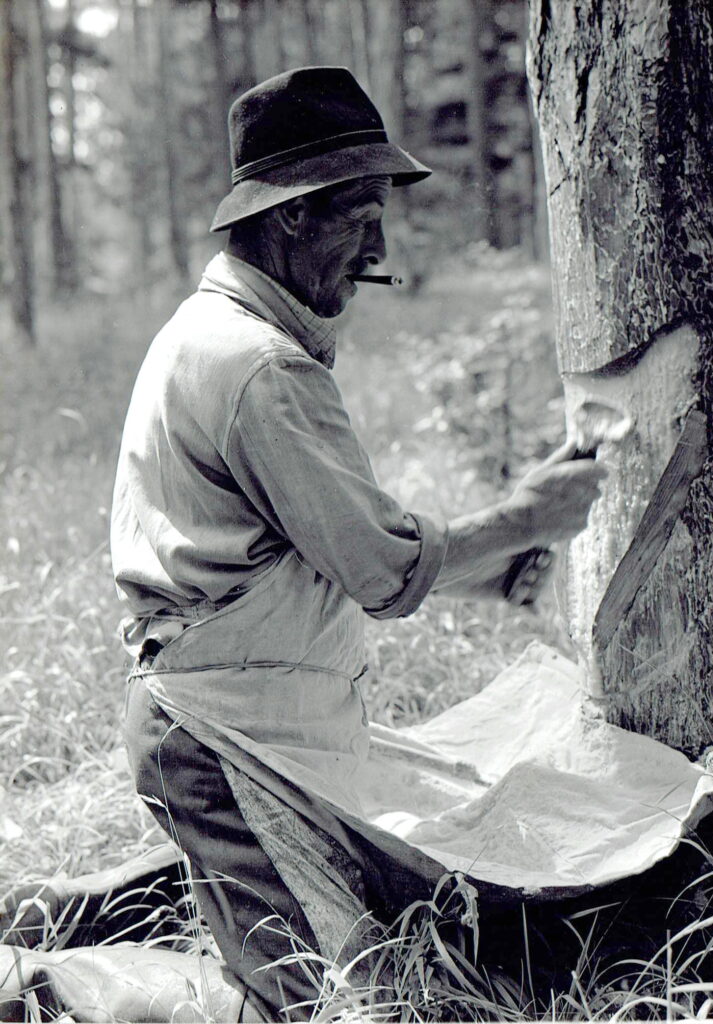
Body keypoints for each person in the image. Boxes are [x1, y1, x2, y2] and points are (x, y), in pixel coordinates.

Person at [112, 67, 606, 1021]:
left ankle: (82, 917)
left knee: (410, 943)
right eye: (362, 216)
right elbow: (378, 570)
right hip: (224, 739)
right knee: (338, 1005)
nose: (379, 250)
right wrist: (524, 517)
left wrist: (498, 562)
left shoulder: (220, 333)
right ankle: (38, 981)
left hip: (256, 726)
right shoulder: (259, 366)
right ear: (292, 216)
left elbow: (319, 552)